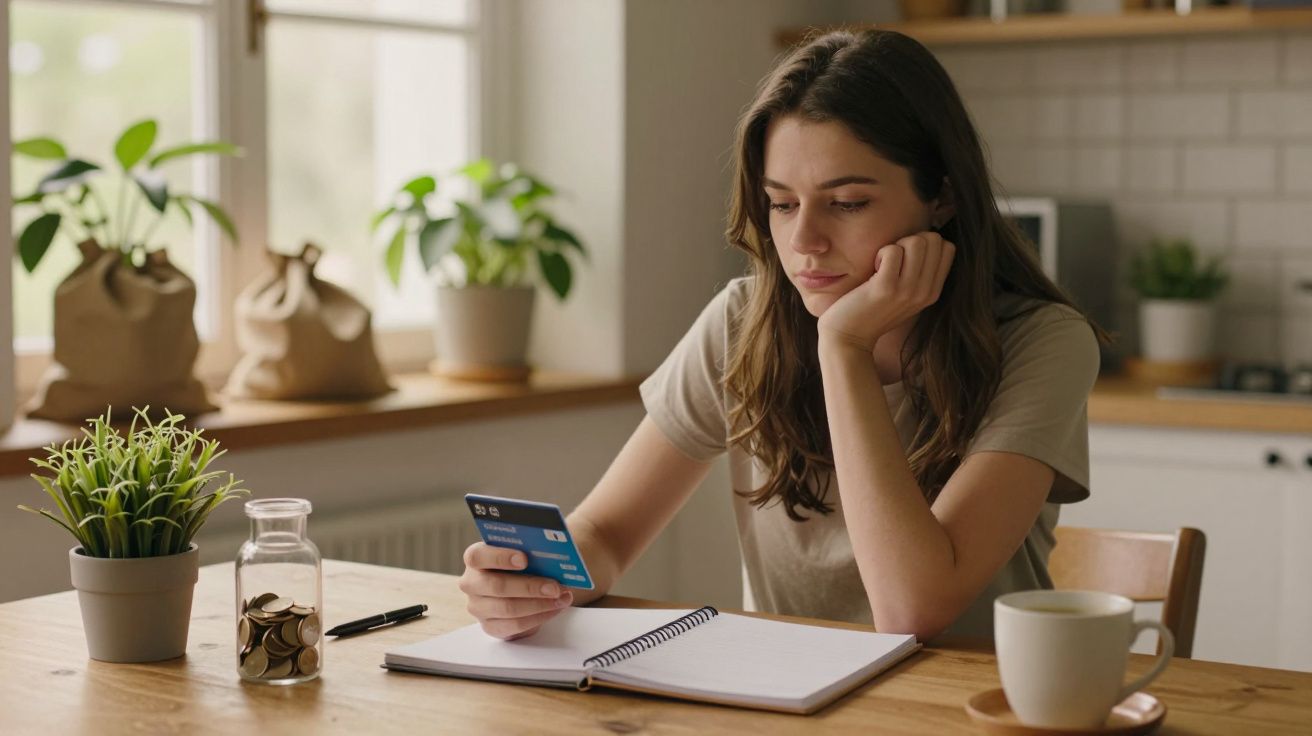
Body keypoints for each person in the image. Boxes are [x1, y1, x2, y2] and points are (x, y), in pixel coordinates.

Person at [458, 28, 1104, 643]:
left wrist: (843, 347)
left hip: (964, 708)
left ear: (942, 197)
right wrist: (531, 580)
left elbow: (913, 608)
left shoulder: (1044, 342)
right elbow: (606, 532)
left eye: (847, 202)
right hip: (794, 705)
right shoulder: (744, 320)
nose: (804, 243)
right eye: (782, 203)